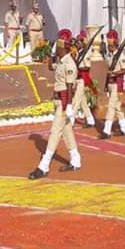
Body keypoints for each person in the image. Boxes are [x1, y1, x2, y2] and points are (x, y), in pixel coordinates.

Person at [29, 29, 81, 179]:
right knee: (66, 131)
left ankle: (44, 165)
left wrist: (69, 105)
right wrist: (50, 60)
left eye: (57, 46)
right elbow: (53, 69)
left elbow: (70, 86)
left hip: (64, 100)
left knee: (54, 132)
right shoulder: (62, 61)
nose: (55, 48)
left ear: (62, 47)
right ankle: (76, 159)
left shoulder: (70, 63)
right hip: (58, 100)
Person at [98, 30, 125, 139]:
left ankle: (107, 130)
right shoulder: (109, 55)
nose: (109, 46)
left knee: (111, 106)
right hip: (110, 84)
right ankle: (124, 128)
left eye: (111, 44)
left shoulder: (120, 55)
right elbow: (107, 67)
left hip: (116, 84)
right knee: (117, 107)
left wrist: (114, 73)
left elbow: (124, 69)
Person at [71, 30, 96, 128]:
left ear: (82, 42)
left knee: (76, 100)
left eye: (78, 42)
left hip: (82, 79)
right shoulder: (77, 53)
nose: (76, 44)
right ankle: (90, 120)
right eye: (76, 42)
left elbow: (88, 67)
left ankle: (70, 121)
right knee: (83, 102)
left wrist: (79, 67)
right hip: (76, 78)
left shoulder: (86, 54)